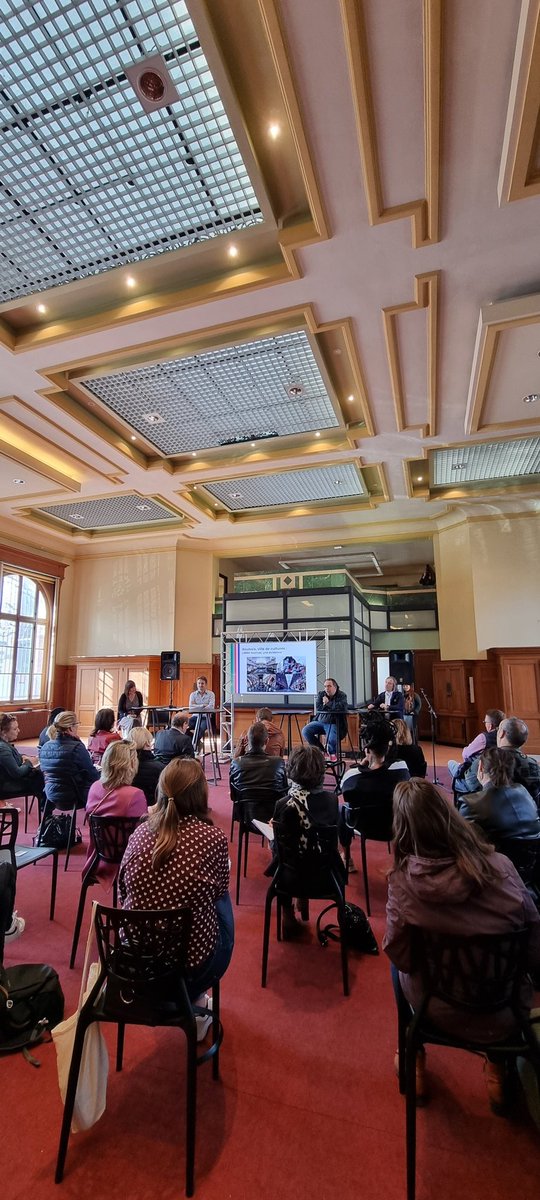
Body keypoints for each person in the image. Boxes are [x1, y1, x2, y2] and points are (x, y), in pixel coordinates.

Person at [383, 778, 540, 1111]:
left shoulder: (401, 884)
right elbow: (534, 947)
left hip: (434, 1005)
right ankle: (498, 1069)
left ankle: (414, 1055)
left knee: (395, 963)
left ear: (402, 831)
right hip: (506, 1008)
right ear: (450, 816)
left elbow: (402, 956)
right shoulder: (502, 867)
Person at [118, 758, 234, 1040]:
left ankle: (186, 1000)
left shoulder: (140, 833)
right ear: (200, 795)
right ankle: (195, 1002)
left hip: (135, 962)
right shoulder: (212, 838)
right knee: (221, 899)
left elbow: (122, 891)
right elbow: (218, 893)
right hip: (191, 968)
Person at [271, 745, 344, 938]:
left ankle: (287, 915)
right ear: (321, 771)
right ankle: (301, 900)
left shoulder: (283, 803)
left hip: (289, 877)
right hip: (325, 876)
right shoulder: (331, 800)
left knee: (282, 856)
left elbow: (277, 848)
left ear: (291, 771)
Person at [339, 721, 409, 867]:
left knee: (341, 810)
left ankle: (346, 858)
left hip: (364, 826)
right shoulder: (402, 769)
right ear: (388, 746)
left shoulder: (352, 777)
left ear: (367, 750)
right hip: (396, 825)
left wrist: (361, 766)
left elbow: (343, 789)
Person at [84, 741, 147, 887]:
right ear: (131, 764)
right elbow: (143, 833)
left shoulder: (95, 787)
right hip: (128, 861)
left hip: (98, 857)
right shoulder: (135, 795)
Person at [458, 748, 540, 844]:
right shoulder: (523, 792)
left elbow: (462, 844)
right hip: (533, 857)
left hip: (491, 857)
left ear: (480, 768)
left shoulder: (469, 804)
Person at [39, 710, 99, 811]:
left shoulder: (46, 746)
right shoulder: (77, 747)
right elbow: (92, 775)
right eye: (77, 724)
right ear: (71, 727)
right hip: (74, 794)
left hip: (50, 794)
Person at [448, 709, 505, 793]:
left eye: (485, 722)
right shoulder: (504, 737)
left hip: (477, 777)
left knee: (450, 763)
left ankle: (460, 787)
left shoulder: (483, 738)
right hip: (499, 775)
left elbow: (466, 754)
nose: (485, 724)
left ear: (490, 725)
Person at [229, 722, 287, 801]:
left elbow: (233, 796)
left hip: (245, 811)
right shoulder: (278, 763)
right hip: (273, 811)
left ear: (246, 740)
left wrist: (240, 750)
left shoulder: (236, 763)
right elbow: (284, 792)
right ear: (266, 741)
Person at [0, 713, 45, 806]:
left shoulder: (4, 745)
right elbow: (17, 773)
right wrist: (29, 762)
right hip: (6, 786)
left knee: (40, 776)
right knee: (40, 778)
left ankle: (46, 809)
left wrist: (23, 758)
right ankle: (46, 813)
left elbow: (13, 758)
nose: (19, 730)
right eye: (15, 729)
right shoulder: (3, 748)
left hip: (7, 782)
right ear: (3, 732)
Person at [302, 678, 348, 758]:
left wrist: (328, 703)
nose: (327, 688)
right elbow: (319, 708)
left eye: (329, 686)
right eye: (325, 686)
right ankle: (321, 751)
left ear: (335, 687)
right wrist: (332, 706)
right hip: (320, 721)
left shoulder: (342, 695)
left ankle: (332, 753)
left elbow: (342, 707)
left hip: (333, 722)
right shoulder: (321, 694)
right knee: (305, 731)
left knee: (332, 739)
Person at [129, 725, 164, 807]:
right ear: (147, 743)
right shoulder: (159, 767)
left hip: (127, 808)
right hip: (152, 809)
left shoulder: (123, 764)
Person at [188, 675, 216, 742]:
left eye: (202, 683)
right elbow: (191, 706)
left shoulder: (211, 694)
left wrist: (196, 706)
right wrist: (202, 705)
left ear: (206, 684)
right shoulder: (193, 694)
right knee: (184, 727)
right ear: (197, 684)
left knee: (200, 729)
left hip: (206, 717)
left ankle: (193, 745)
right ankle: (192, 742)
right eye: (199, 683)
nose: (200, 685)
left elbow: (211, 707)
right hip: (195, 717)